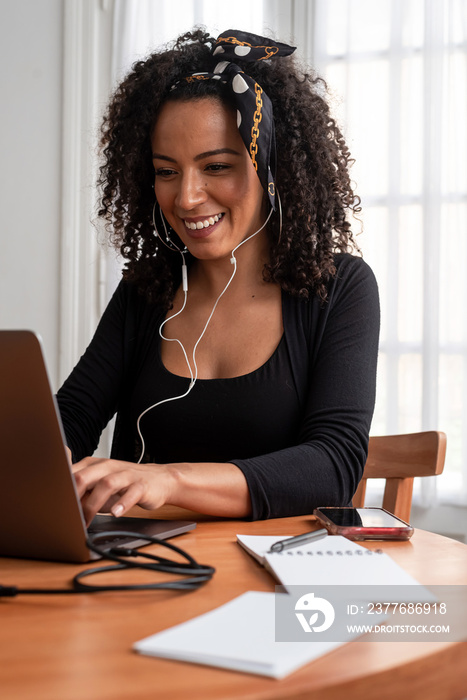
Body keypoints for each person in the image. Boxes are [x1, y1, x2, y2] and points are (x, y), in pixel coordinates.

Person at [57, 28, 380, 526]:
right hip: (146, 571)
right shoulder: (149, 289)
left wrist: (167, 480)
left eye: (216, 166)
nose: (186, 197)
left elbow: (331, 466)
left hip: (278, 581)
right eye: (166, 171)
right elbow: (72, 417)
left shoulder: (339, 288)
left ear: (273, 167)